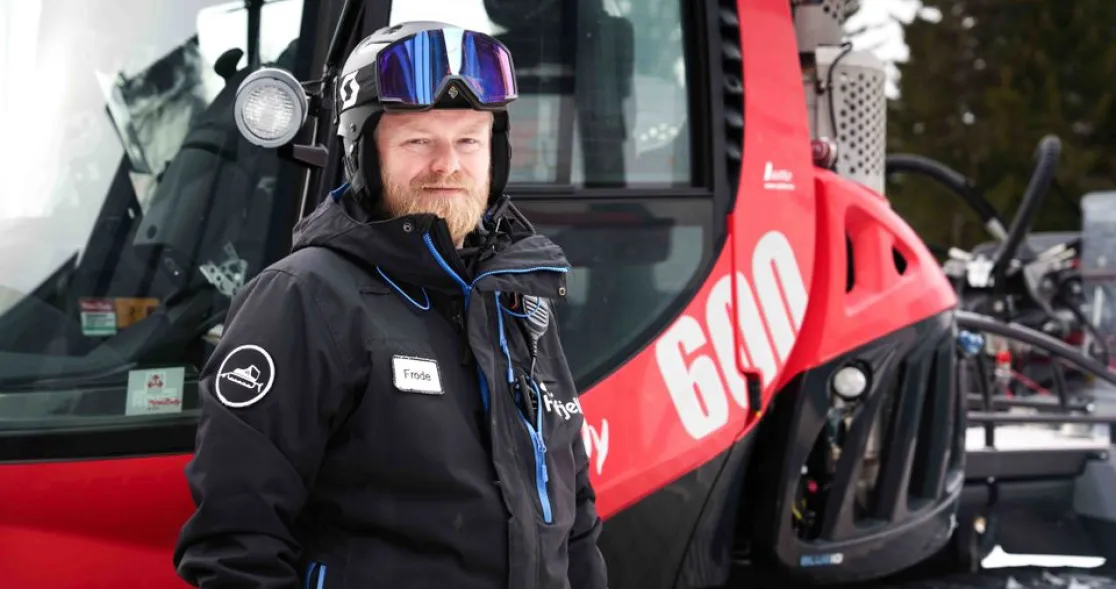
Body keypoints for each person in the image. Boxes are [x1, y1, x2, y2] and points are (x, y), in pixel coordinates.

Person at [172, 20, 609, 589]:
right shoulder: (305, 298)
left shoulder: (516, 299)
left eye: (468, 141)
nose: (447, 164)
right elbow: (235, 545)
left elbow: (573, 515)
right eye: (418, 141)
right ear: (364, 155)